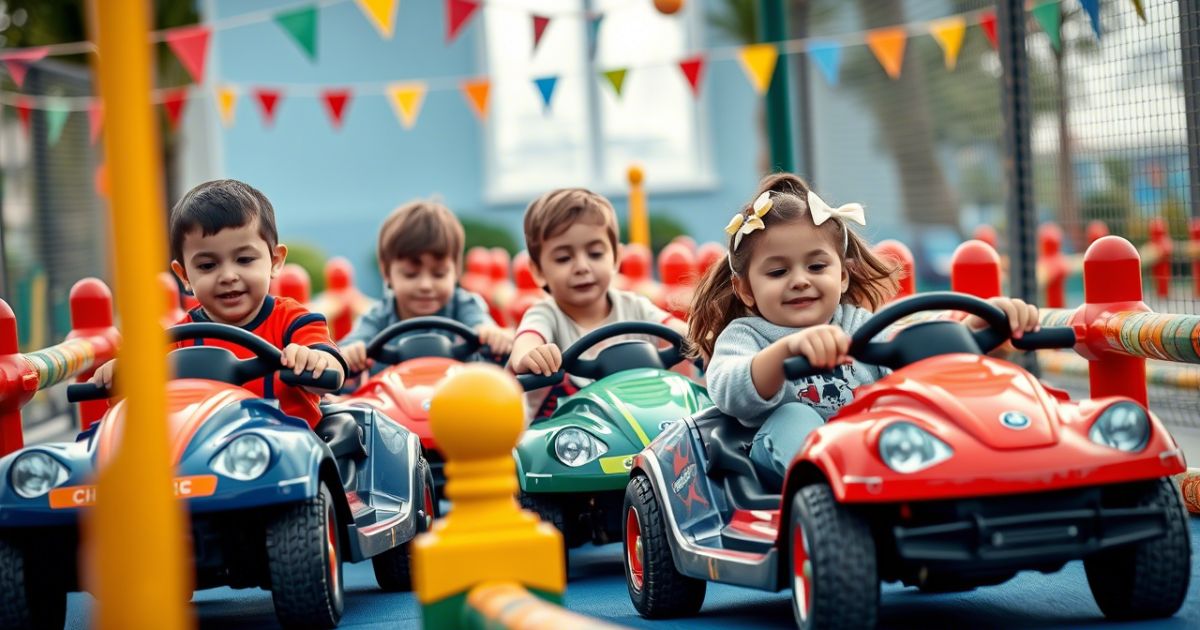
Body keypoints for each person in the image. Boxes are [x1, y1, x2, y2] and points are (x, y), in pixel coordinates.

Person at [689, 173, 1040, 487]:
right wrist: (788, 351)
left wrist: (972, 327)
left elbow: (909, 347)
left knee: (906, 406)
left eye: (816, 266)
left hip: (871, 462)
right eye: (778, 272)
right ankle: (833, 494)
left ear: (842, 275)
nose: (799, 281)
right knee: (796, 413)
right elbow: (729, 387)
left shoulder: (857, 324)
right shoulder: (746, 335)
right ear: (746, 289)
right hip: (784, 470)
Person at [90, 179, 347, 428]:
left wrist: (314, 360)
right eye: (208, 266)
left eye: (244, 259)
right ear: (184, 276)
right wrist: (123, 374)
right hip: (204, 457)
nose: (228, 276)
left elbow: (333, 371)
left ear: (276, 260)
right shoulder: (177, 339)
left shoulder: (293, 321)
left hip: (287, 457)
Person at [509, 188, 688, 418]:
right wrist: (531, 355)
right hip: (564, 434)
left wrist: (701, 339)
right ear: (538, 271)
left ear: (615, 258)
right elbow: (525, 343)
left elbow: (678, 329)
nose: (582, 267)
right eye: (564, 258)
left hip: (640, 421)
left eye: (595, 254)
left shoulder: (635, 306)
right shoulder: (545, 314)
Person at [338, 200, 514, 373]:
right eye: (410, 274)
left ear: (456, 270)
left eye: (439, 274)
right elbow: (351, 345)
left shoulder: (464, 305)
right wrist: (352, 351)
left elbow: (480, 325)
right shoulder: (378, 316)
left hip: (459, 396)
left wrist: (491, 335)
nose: (425, 285)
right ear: (387, 273)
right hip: (393, 398)